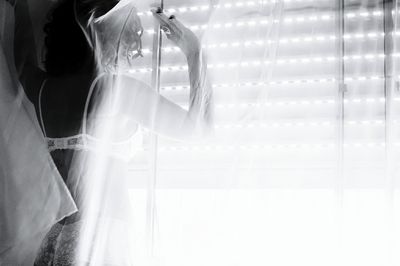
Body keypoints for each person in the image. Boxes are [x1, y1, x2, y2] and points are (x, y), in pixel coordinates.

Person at [10, 0, 212, 264]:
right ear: (111, 40)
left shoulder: (43, 89)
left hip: (55, 237)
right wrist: (194, 51)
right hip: (103, 236)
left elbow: (23, 60)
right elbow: (196, 130)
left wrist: (19, 6)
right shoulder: (115, 91)